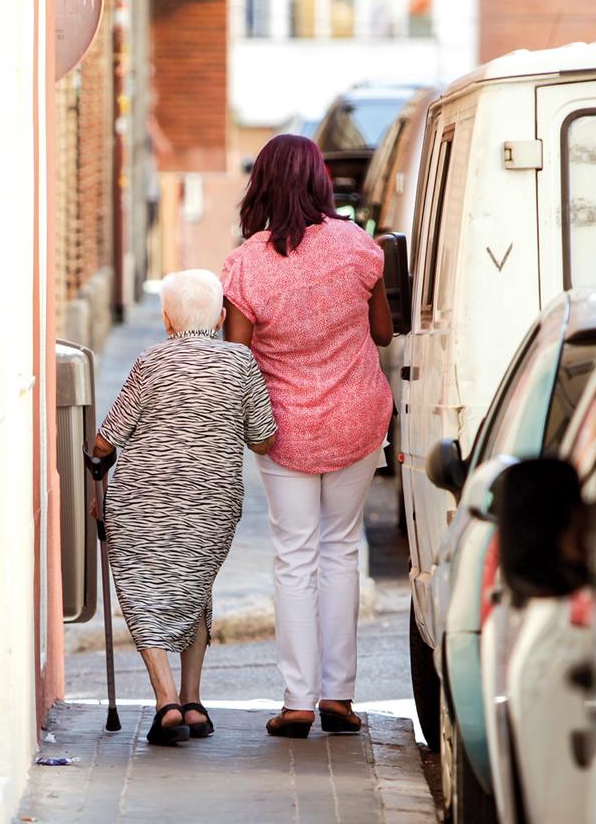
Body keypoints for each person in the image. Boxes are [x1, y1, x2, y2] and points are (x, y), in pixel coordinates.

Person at [221, 133, 394, 739]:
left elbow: (236, 353)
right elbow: (382, 334)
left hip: (284, 428)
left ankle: (297, 700)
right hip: (355, 417)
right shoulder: (359, 247)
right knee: (341, 551)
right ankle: (339, 698)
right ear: (320, 181)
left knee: (294, 557)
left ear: (262, 184)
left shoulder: (247, 263)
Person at [90, 268, 278, 746]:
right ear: (219, 317)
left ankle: (167, 702)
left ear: (167, 321)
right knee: (195, 585)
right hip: (212, 501)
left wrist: (96, 466)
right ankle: (193, 703)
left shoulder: (151, 360)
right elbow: (263, 439)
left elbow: (107, 438)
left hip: (140, 499)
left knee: (144, 593)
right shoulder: (240, 363)